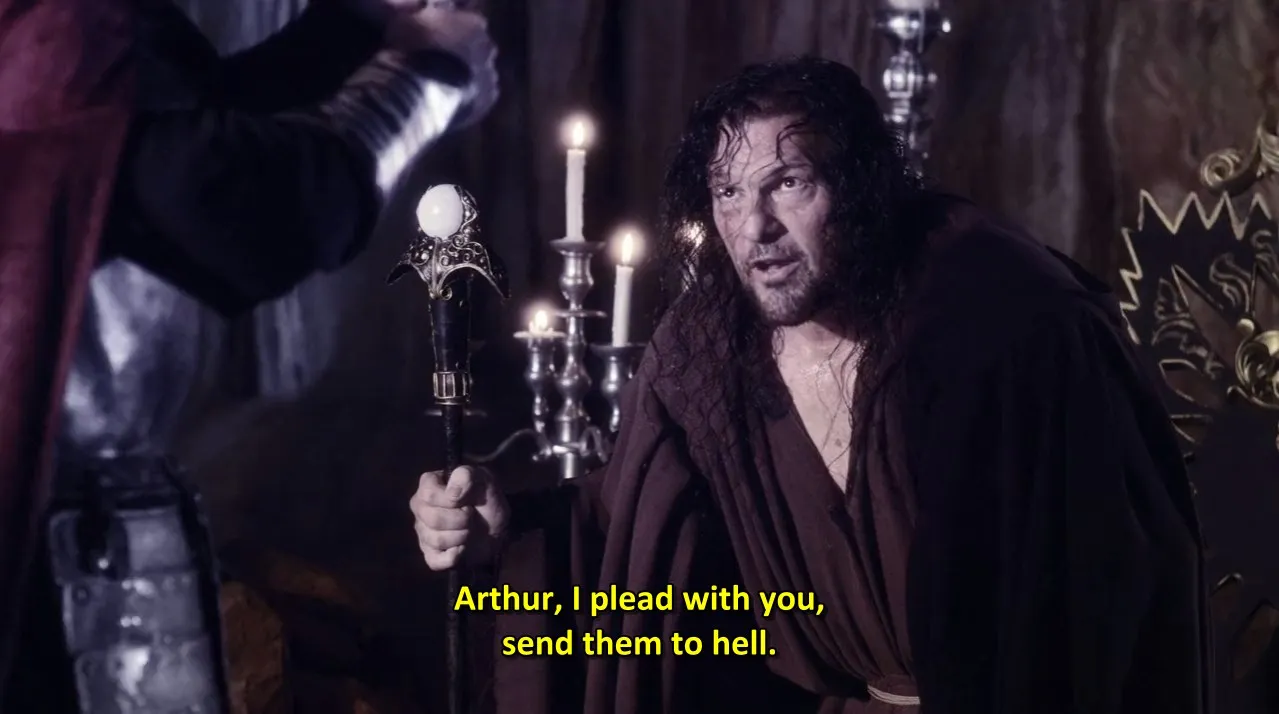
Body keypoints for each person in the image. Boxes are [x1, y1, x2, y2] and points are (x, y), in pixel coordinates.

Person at [410, 56, 1211, 713]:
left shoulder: (1001, 321)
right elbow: (628, 527)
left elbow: (1118, 584)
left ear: (857, 186)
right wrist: (508, 525)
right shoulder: (708, 347)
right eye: (728, 192)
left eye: (788, 182)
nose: (753, 227)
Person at [0, 0, 498, 709]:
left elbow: (177, 114)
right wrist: (427, 77)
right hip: (47, 550)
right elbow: (231, 202)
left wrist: (359, 27)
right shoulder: (58, 27)